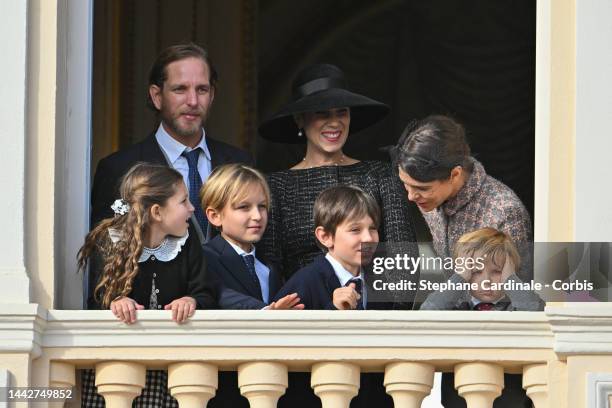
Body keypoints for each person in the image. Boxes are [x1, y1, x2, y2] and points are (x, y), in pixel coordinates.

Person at [258, 63, 418, 283]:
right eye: (322, 113)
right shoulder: (276, 186)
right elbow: (271, 266)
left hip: (373, 311)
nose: (334, 122)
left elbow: (403, 260)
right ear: (300, 119)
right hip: (301, 310)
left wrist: (382, 315)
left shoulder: (380, 175)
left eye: (341, 112)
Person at [78, 163, 218, 407]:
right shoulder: (113, 241)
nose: (192, 208)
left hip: (172, 365)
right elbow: (97, 298)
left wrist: (191, 300)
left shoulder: (187, 242)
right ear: (157, 212)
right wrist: (115, 302)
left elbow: (205, 292)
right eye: (184, 201)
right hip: (121, 365)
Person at [91, 43, 251, 243]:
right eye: (180, 89)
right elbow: (108, 255)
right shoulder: (119, 169)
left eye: (202, 89)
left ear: (211, 96)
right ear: (157, 97)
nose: (193, 101)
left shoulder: (240, 163)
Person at [274, 185, 393, 408]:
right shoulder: (305, 281)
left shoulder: (380, 280)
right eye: (355, 230)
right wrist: (332, 311)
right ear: (325, 236)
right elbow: (285, 344)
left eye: (373, 228)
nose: (368, 238)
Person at [393, 115, 532, 277]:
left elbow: (520, 291)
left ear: (455, 174)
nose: (411, 196)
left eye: (422, 188)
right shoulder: (430, 199)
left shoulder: (505, 213)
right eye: (405, 183)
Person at [420, 228, 543, 408]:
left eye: (497, 271)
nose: (486, 280)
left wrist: (510, 279)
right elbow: (427, 313)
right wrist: (460, 277)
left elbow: (536, 312)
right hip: (460, 401)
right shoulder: (457, 311)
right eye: (476, 272)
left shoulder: (516, 310)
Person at [201, 163, 304, 310]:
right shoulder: (203, 258)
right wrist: (266, 312)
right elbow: (217, 293)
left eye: (262, 206)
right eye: (244, 207)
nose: (257, 216)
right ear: (215, 216)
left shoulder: (269, 265)